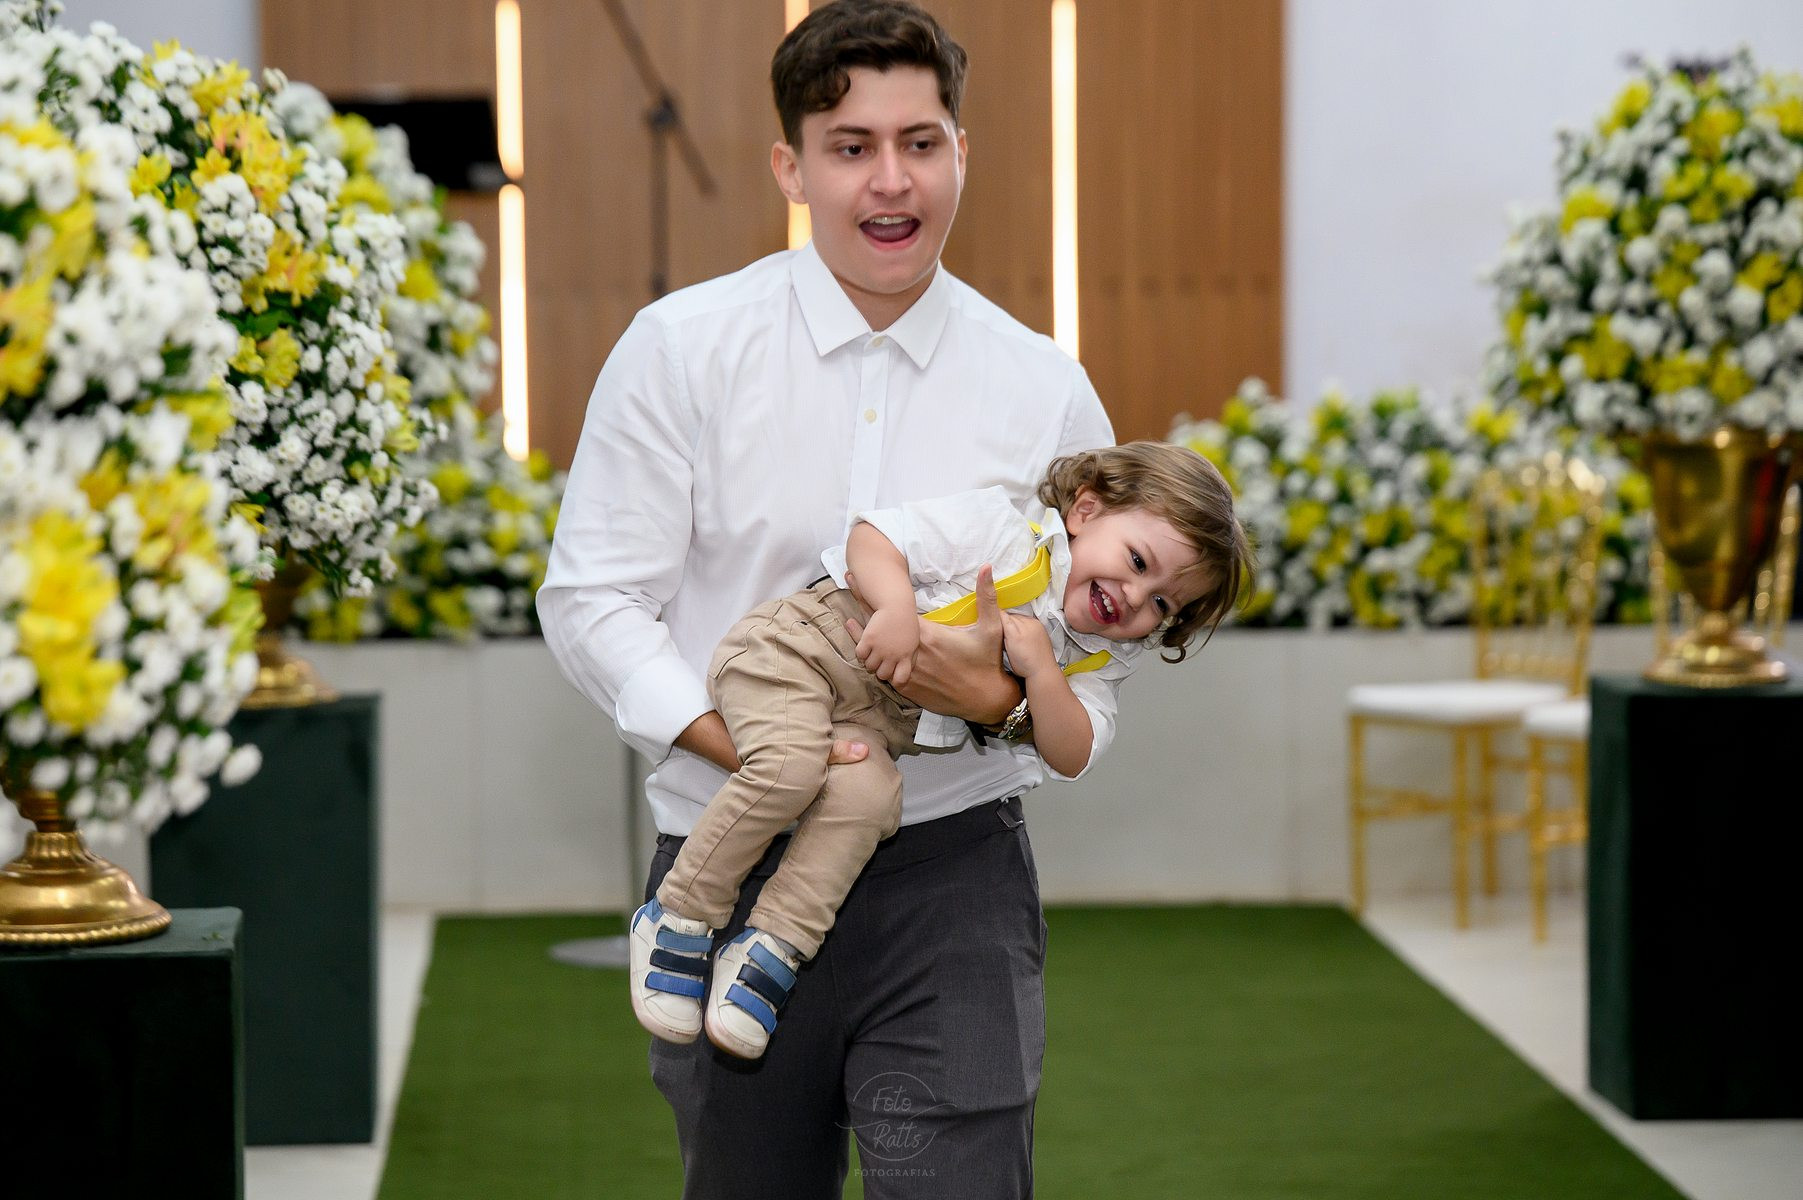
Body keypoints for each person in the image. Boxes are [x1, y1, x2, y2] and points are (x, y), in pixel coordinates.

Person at [540, 1, 1164, 1194]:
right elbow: (593, 602)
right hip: (731, 852)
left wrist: (995, 696)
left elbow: (1095, 651)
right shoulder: (681, 347)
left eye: (920, 142)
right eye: (851, 146)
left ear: (961, 152)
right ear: (791, 167)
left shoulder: (1043, 386)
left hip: (954, 880)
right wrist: (760, 753)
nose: (891, 180)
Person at [629, 443, 1250, 1062]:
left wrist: (1041, 672)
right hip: (796, 653)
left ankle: (770, 946)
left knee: (872, 802)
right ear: (1086, 511)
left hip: (865, 726)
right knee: (789, 768)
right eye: (1138, 561)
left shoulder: (1102, 659)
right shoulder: (1004, 535)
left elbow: (1074, 751)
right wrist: (897, 606)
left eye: (1163, 604)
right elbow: (874, 539)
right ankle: (679, 912)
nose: (1135, 597)